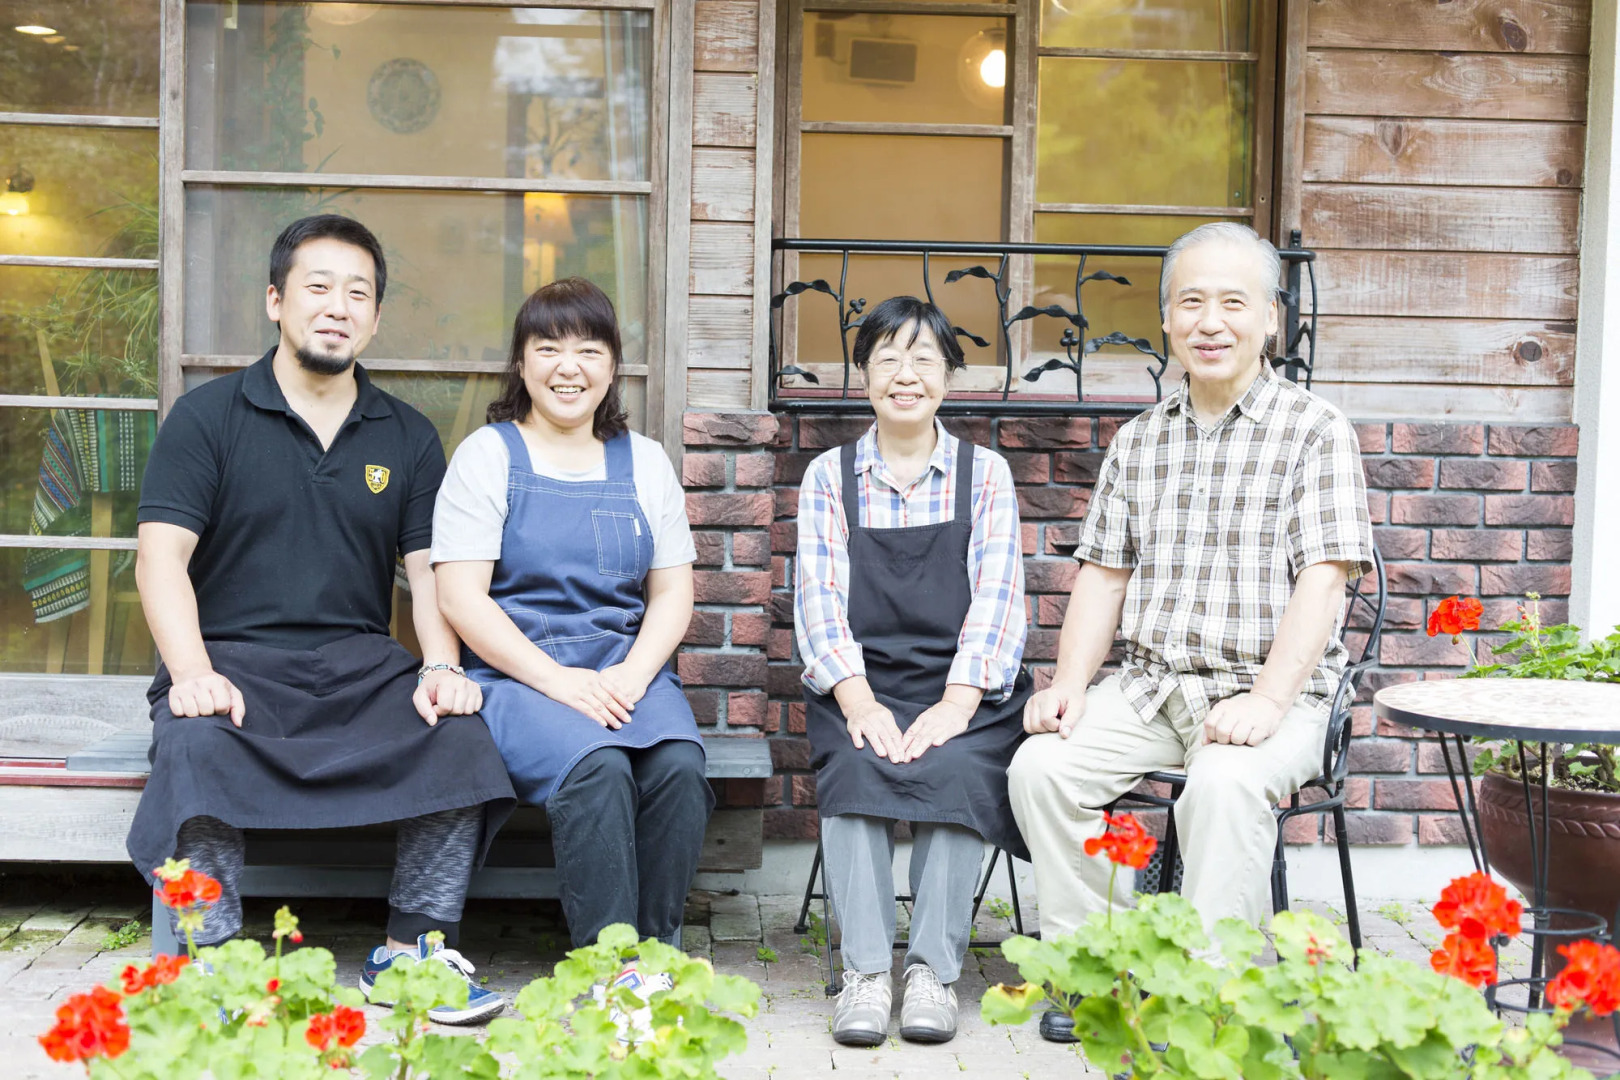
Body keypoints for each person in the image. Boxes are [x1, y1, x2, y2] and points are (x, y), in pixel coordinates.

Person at [128, 214, 516, 1025]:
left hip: (356, 666)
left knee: (459, 735)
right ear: (276, 300)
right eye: (318, 287)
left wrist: (442, 667)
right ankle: (213, 961)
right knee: (195, 744)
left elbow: (427, 570)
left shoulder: (405, 435)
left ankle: (414, 954)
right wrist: (194, 673)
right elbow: (159, 559)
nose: (337, 306)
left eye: (358, 293)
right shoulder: (207, 419)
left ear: (375, 318)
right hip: (231, 663)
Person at [1006, 222, 1375, 1042]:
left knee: (1222, 784)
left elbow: (1325, 582)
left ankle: (1207, 995)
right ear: (1167, 321)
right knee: (1041, 767)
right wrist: (1068, 686)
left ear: (1271, 320)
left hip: (1274, 694)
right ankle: (1093, 968)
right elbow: (1103, 575)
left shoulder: (1315, 431)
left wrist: (1270, 700)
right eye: (1192, 302)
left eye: (1233, 302)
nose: (1212, 322)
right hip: (1147, 687)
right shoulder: (1140, 442)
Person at [434, 277, 709, 965]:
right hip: (518, 677)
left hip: (624, 670)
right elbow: (461, 597)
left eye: (589, 350)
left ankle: (658, 953)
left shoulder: (644, 462)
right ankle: (608, 965)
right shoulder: (488, 456)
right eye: (548, 348)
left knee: (678, 766)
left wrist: (632, 675)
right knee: (599, 767)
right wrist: (560, 682)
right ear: (521, 364)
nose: (569, 366)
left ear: (611, 367)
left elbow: (673, 593)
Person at [794, 296, 1030, 1048]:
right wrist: (860, 703)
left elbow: (998, 600)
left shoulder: (983, 474)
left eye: (924, 358)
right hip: (859, 681)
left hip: (963, 687)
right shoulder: (829, 477)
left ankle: (932, 971)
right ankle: (865, 973)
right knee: (860, 771)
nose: (906, 374)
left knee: (955, 771)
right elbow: (819, 604)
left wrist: (958, 704)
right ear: (862, 375)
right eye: (887, 357)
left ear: (950, 378)